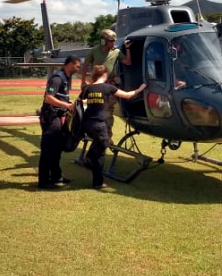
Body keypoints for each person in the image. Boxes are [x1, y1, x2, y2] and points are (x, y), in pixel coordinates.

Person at [80, 65, 146, 189]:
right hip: (99, 124)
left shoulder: (87, 88)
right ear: (104, 75)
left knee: (98, 143)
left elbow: (79, 102)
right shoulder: (108, 88)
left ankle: (89, 159)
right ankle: (97, 182)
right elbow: (127, 95)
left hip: (87, 123)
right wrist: (140, 89)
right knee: (101, 151)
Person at [38, 55, 80, 189]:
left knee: (56, 149)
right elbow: (48, 98)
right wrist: (67, 106)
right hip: (51, 117)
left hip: (58, 116)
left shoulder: (67, 78)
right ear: (70, 64)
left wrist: (68, 103)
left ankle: (56, 176)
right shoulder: (57, 78)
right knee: (48, 149)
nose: (78, 69)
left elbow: (60, 97)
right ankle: (44, 181)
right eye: (77, 66)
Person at [82, 29, 125, 136]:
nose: (113, 43)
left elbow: (127, 61)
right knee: (96, 109)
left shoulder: (116, 52)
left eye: (114, 41)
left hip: (110, 84)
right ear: (103, 41)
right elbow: (85, 64)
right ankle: (98, 132)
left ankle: (107, 135)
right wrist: (83, 81)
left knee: (107, 110)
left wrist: (127, 49)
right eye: (111, 41)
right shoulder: (94, 51)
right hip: (97, 84)